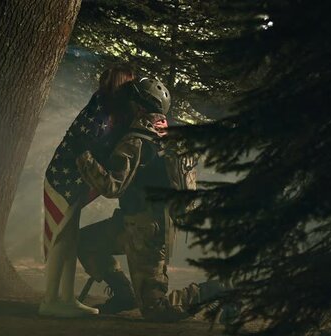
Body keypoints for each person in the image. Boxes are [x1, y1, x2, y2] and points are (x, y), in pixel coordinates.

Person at [75, 77, 216, 321]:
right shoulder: (168, 135)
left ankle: (214, 291)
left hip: (146, 233)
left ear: (139, 107)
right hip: (140, 225)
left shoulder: (136, 139)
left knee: (156, 309)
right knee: (85, 242)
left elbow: (112, 187)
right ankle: (123, 295)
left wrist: (83, 157)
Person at [40, 65, 135, 318]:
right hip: (66, 180)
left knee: (69, 242)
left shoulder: (105, 107)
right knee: (62, 240)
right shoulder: (101, 112)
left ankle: (66, 299)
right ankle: (50, 300)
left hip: (75, 182)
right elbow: (89, 145)